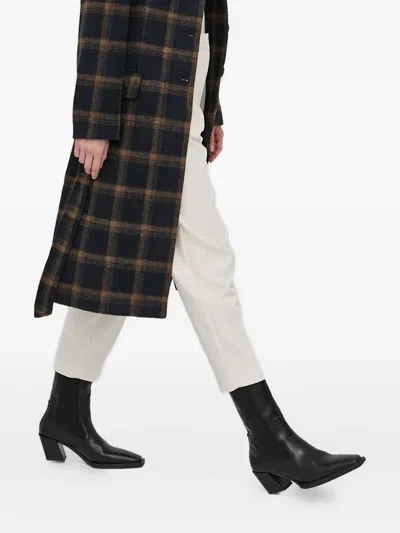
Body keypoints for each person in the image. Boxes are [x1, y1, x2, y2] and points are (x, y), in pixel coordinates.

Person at [35, 1, 365, 492]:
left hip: (179, 113)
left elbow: (201, 23)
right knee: (209, 270)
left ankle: (64, 413)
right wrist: (93, 121)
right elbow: (102, 15)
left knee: (116, 271)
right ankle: (270, 437)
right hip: (139, 122)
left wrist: (209, 110)